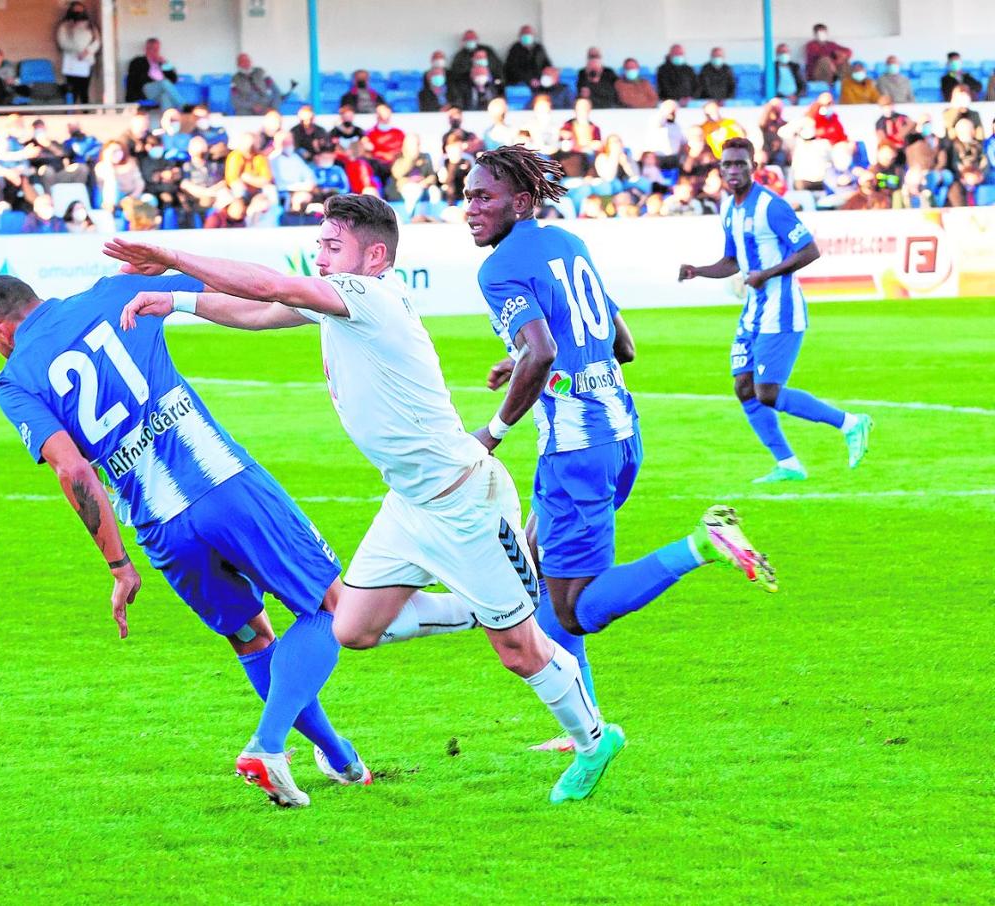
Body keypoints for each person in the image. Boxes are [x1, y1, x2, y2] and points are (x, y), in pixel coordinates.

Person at [105, 193, 622, 804]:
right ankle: (482, 605)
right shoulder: (344, 302)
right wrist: (177, 300)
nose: (320, 257)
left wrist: (168, 256)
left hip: (464, 499)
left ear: (374, 256)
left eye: (332, 247)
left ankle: (593, 741)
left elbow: (275, 287)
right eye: (319, 246)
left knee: (518, 651)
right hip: (409, 503)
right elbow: (259, 310)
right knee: (351, 628)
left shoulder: (370, 298)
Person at [0, 271, 367, 807]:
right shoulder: (112, 293)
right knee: (333, 609)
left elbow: (74, 472)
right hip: (222, 480)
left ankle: (342, 758)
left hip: (159, 526)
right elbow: (215, 279)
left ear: (1, 329)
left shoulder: (15, 380)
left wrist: (119, 565)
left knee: (251, 636)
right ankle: (268, 745)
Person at [463, 144, 776, 755]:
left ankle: (701, 545)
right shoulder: (569, 246)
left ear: (520, 203)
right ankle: (588, 727)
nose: (469, 208)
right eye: (467, 196)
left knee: (575, 608)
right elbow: (619, 343)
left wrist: (493, 432)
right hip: (622, 432)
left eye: (483, 197)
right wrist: (521, 358)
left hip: (576, 451)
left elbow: (548, 351)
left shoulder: (498, 269)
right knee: (537, 562)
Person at [678, 137, 872, 483]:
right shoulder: (729, 208)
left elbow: (809, 250)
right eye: (728, 164)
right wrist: (698, 270)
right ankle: (788, 464)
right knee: (743, 387)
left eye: (741, 163)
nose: (734, 170)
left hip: (781, 312)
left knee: (766, 391)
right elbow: (731, 261)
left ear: (754, 166)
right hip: (753, 312)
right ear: (720, 169)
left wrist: (766, 274)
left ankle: (850, 423)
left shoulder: (771, 206)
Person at [56, 2, 100, 105]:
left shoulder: (91, 25)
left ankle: (86, 112)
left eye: (80, 10)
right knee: (72, 90)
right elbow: (62, 43)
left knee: (84, 90)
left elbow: (97, 41)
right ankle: (71, 113)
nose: (78, 13)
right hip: (71, 62)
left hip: (86, 61)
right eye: (75, 10)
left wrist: (87, 51)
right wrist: (77, 51)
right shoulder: (64, 26)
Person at [125, 38, 181, 107]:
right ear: (146, 49)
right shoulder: (138, 61)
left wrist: (165, 64)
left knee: (164, 96)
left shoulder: (162, 63)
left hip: (159, 91)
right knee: (164, 82)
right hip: (145, 90)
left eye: (157, 49)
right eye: (153, 49)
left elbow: (174, 79)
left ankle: (168, 117)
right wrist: (159, 82)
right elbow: (138, 79)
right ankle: (184, 106)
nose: (156, 52)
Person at [449, 29, 503, 98]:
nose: (470, 42)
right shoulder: (460, 56)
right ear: (463, 42)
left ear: (477, 40)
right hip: (468, 87)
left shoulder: (487, 50)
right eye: (468, 40)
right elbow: (456, 74)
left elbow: (497, 66)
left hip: (491, 85)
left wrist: (497, 80)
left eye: (472, 39)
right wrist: (473, 73)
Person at [504, 24, 551, 88]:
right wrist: (529, 80)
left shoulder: (539, 48)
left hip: (539, 81)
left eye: (529, 33)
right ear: (520, 36)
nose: (527, 35)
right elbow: (512, 69)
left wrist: (547, 75)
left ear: (533, 35)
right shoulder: (515, 49)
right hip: (520, 83)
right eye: (524, 33)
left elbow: (547, 64)